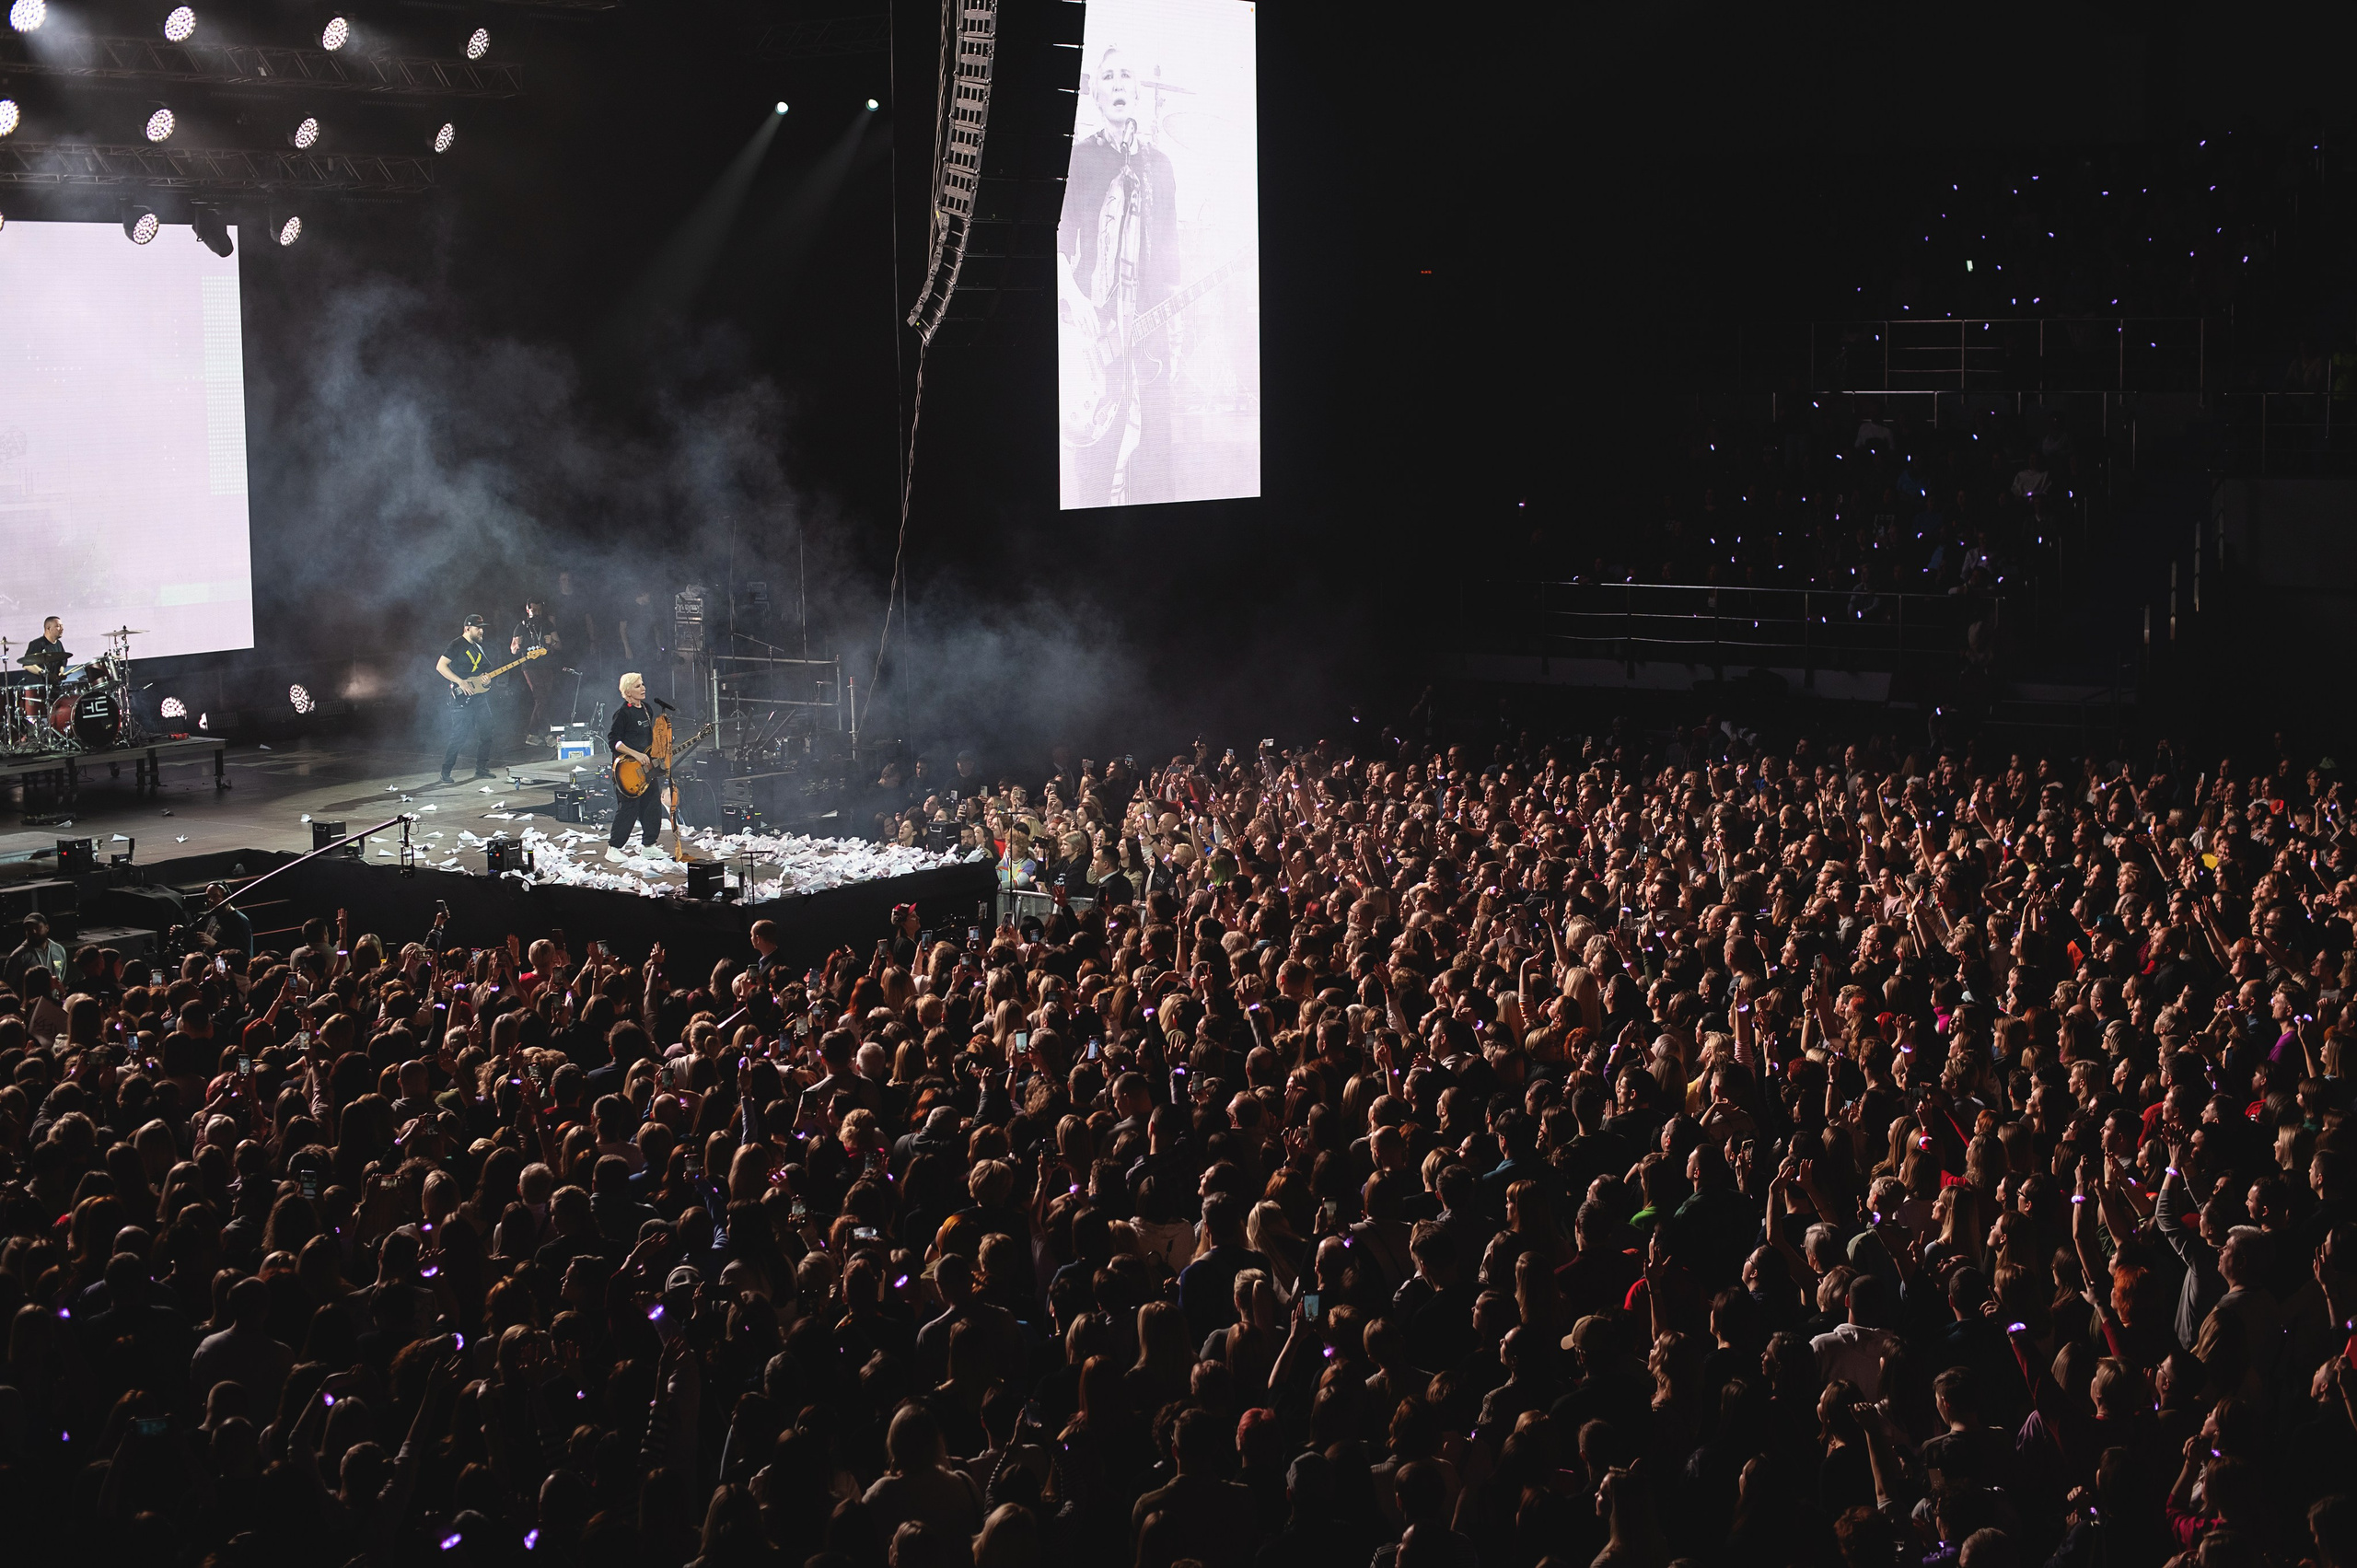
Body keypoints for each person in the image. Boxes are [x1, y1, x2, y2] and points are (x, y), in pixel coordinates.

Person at [1056, 41, 1182, 509]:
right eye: (1108, 77)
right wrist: (1074, 298)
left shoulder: (1160, 167)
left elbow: (1170, 264)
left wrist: (1172, 332)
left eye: (1126, 76)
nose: (1118, 85)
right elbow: (1057, 241)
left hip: (1147, 340)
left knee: (1152, 463)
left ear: (1139, 91)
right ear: (1094, 95)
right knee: (1094, 471)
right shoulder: (1078, 159)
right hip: (1096, 340)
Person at [606, 670, 668, 861]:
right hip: (627, 768)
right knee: (628, 808)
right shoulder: (623, 713)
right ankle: (614, 848)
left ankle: (649, 844)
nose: (643, 688)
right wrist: (636, 754)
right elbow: (613, 741)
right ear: (628, 691)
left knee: (652, 805)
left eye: (642, 684)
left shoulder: (647, 709)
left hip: (647, 768)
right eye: (638, 686)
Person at [434, 612, 498, 784]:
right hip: (461, 698)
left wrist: (487, 678)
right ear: (467, 628)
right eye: (478, 629)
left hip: (479, 697)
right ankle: (445, 771)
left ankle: (481, 768)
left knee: (487, 731)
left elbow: (483, 672)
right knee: (459, 735)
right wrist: (460, 682)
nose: (481, 632)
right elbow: (440, 666)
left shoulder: (479, 648)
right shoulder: (456, 644)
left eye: (482, 629)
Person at [510, 598, 563, 747]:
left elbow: (559, 646)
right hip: (529, 667)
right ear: (528, 610)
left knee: (545, 699)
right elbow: (513, 649)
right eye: (533, 610)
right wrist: (518, 646)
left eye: (539, 610)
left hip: (547, 666)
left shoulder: (547, 625)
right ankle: (547, 734)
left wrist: (552, 642)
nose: (536, 613)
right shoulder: (521, 627)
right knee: (541, 697)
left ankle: (532, 734)